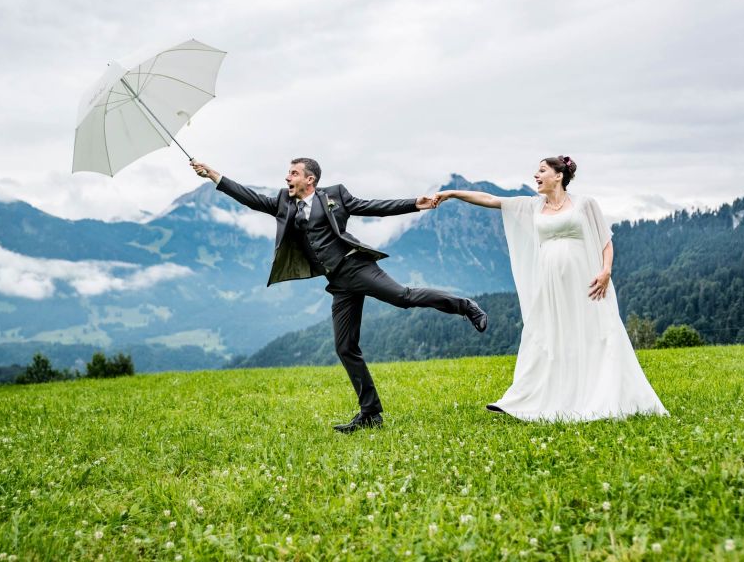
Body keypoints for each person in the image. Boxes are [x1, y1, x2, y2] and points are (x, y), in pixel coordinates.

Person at [191, 158, 488, 433]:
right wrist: (214, 175)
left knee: (403, 297)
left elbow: (372, 207)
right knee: (345, 347)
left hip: (356, 266)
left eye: (293, 173)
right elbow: (250, 198)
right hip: (339, 283)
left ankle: (465, 306)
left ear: (310, 179)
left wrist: (414, 204)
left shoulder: (335, 195)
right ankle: (370, 414)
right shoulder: (284, 201)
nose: (287, 178)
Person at [432, 155, 668, 422]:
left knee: (597, 332)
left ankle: (604, 395)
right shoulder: (533, 206)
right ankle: (526, 397)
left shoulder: (585, 204)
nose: (536, 175)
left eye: (542, 170)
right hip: (551, 286)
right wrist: (452, 193)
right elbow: (490, 199)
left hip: (587, 283)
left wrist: (606, 271)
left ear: (558, 175)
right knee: (548, 336)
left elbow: (605, 240)